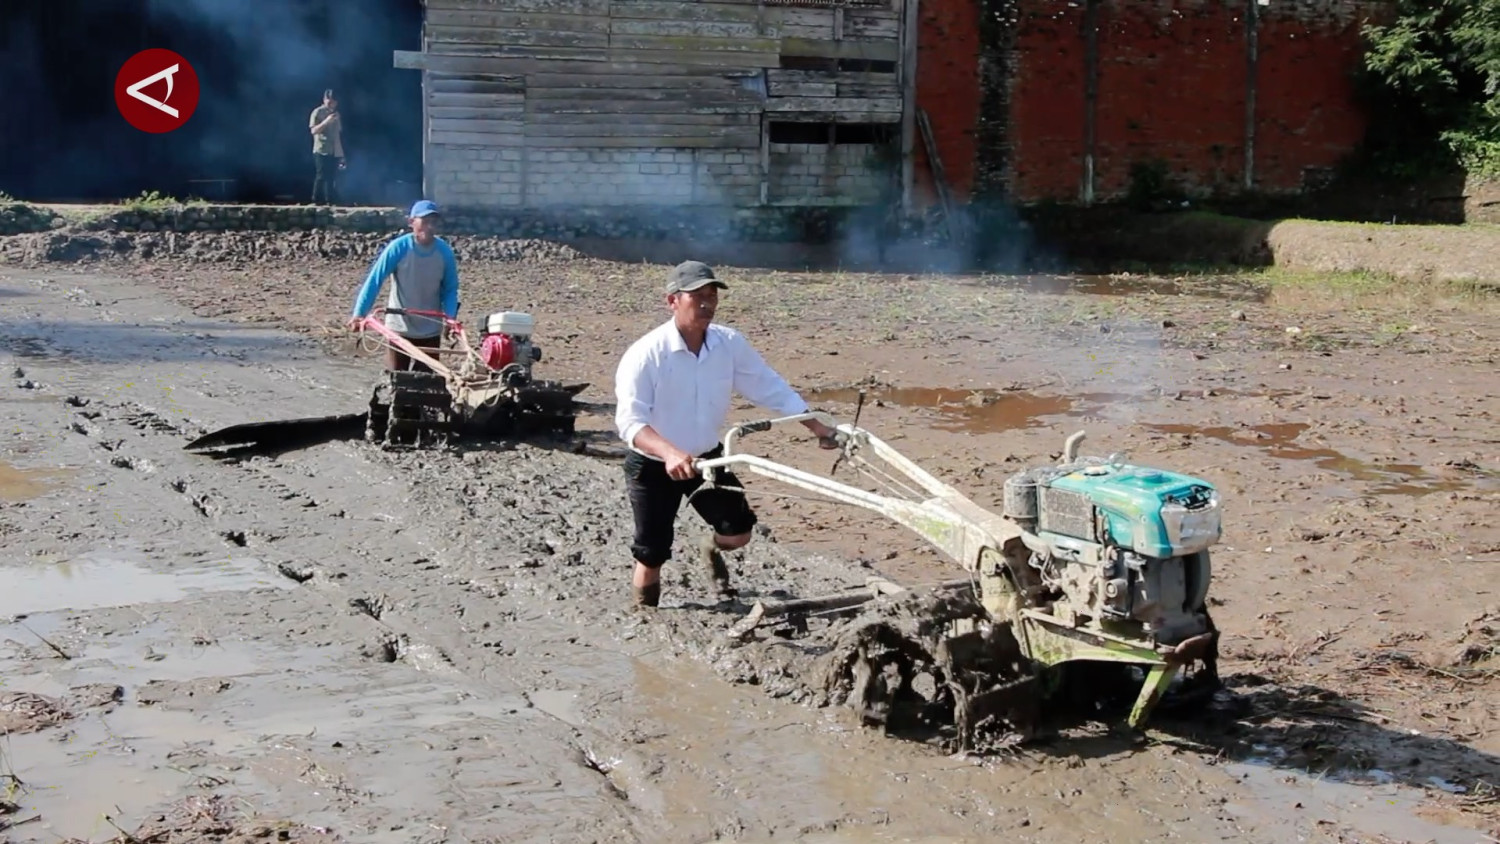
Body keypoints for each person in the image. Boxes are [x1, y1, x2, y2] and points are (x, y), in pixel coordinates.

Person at [614, 260, 840, 609]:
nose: (707, 303)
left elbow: (770, 388)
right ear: (672, 301)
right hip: (654, 465)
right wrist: (670, 452)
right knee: (651, 554)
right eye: (696, 296)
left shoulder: (728, 344)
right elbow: (630, 422)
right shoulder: (646, 355)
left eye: (712, 295)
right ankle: (645, 616)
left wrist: (817, 426)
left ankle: (709, 548)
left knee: (738, 534)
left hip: (708, 457)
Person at [348, 200, 459, 372]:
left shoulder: (444, 252)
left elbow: (450, 289)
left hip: (430, 330)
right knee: (397, 380)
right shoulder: (398, 248)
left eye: (433, 222)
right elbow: (375, 281)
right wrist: (359, 314)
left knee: (427, 385)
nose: (430, 227)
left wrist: (450, 318)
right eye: (425, 221)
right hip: (400, 328)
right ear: (411, 222)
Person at [309, 89, 345, 204]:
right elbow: (313, 130)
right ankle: (316, 200)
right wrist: (326, 121)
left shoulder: (337, 115)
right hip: (321, 149)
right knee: (321, 175)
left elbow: (337, 135)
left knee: (331, 177)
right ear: (324, 99)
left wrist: (341, 155)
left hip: (334, 150)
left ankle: (330, 201)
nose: (331, 102)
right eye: (328, 100)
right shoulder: (317, 112)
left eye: (333, 101)